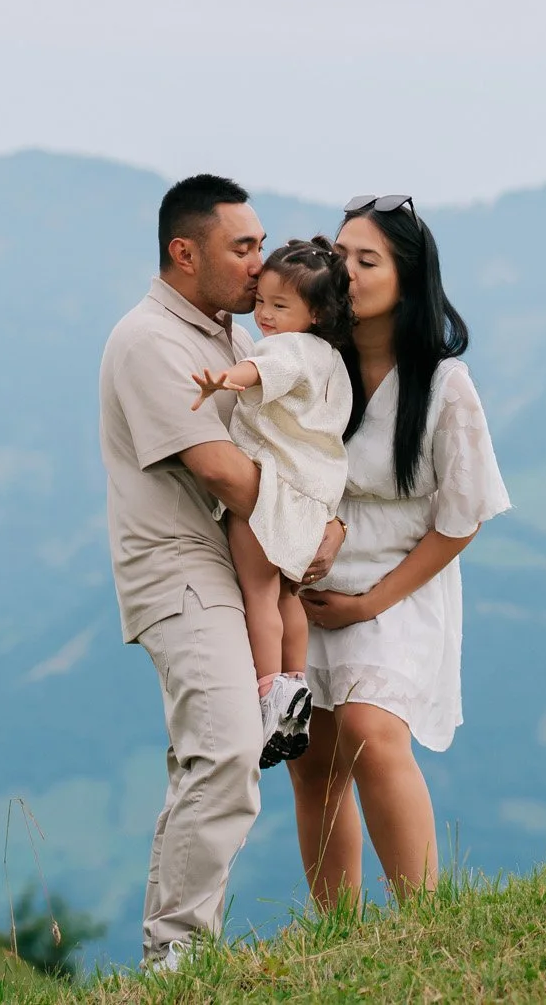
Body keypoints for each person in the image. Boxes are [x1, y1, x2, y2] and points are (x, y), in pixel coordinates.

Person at [97, 174, 346, 968]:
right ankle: (176, 953)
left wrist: (326, 522)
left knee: (217, 752)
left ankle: (174, 951)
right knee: (229, 748)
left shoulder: (233, 339)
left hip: (237, 564)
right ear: (183, 251)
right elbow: (221, 472)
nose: (258, 263)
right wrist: (311, 529)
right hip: (179, 570)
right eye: (241, 247)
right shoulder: (150, 341)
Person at [286, 194, 512, 908]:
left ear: (407, 280)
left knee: (370, 728)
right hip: (306, 584)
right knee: (313, 762)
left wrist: (370, 602)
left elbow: (464, 513)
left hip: (398, 585)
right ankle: (339, 935)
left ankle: (425, 917)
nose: (346, 270)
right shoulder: (315, 365)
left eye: (367, 259)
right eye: (340, 256)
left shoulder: (445, 386)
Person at [189, 238, 363, 769]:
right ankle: (293, 687)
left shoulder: (287, 349)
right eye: (261, 300)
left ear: (316, 313)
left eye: (279, 306)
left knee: (258, 595)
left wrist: (225, 377)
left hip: (273, 496)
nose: (264, 314)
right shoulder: (333, 361)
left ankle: (267, 697)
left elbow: (262, 372)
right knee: (287, 597)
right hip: (313, 501)